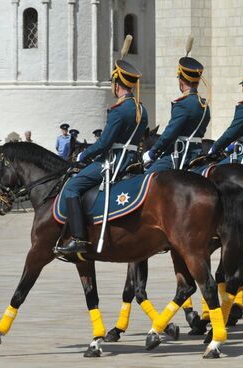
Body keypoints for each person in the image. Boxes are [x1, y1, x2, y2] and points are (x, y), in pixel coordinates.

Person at [56, 39, 148, 255]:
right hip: (133, 161)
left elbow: (105, 143)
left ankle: (78, 239)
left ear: (117, 84)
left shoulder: (118, 110)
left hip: (114, 162)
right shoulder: (141, 109)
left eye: (112, 83)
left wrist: (83, 155)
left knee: (71, 187)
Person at [143, 39, 210, 173]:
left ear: (181, 79)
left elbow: (169, 134)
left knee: (147, 177)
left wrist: (152, 153)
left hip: (180, 155)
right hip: (197, 152)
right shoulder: (204, 104)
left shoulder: (183, 104)